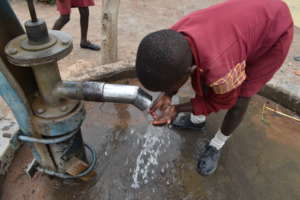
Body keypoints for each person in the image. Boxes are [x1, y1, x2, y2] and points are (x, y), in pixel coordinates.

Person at [135, 0, 293, 176]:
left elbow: (222, 102)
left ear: (188, 71)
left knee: (241, 96)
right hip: (247, 20)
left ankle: (217, 144)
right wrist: (168, 95)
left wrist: (177, 109)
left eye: (169, 87)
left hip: (274, 32)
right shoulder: (172, 38)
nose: (165, 91)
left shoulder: (220, 72)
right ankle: (197, 122)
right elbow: (193, 73)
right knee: (203, 79)